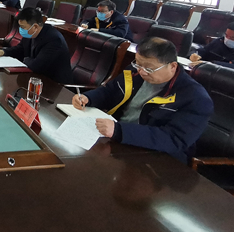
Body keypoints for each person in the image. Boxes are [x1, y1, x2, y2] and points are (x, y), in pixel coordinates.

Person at [72, 37, 213, 164]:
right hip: (116, 141)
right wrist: (89, 98)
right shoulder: (135, 73)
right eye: (138, 64)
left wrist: (120, 131)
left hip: (157, 158)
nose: (142, 72)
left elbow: (174, 139)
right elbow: (110, 91)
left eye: (150, 68)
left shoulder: (195, 98)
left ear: (172, 66)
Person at [0, 7, 72, 83]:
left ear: (35, 26)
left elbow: (37, 66)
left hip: (55, 84)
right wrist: (3, 52)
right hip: (36, 77)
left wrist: (25, 59)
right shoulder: (31, 33)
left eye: (23, 27)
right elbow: (20, 49)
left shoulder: (54, 39)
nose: (20, 30)